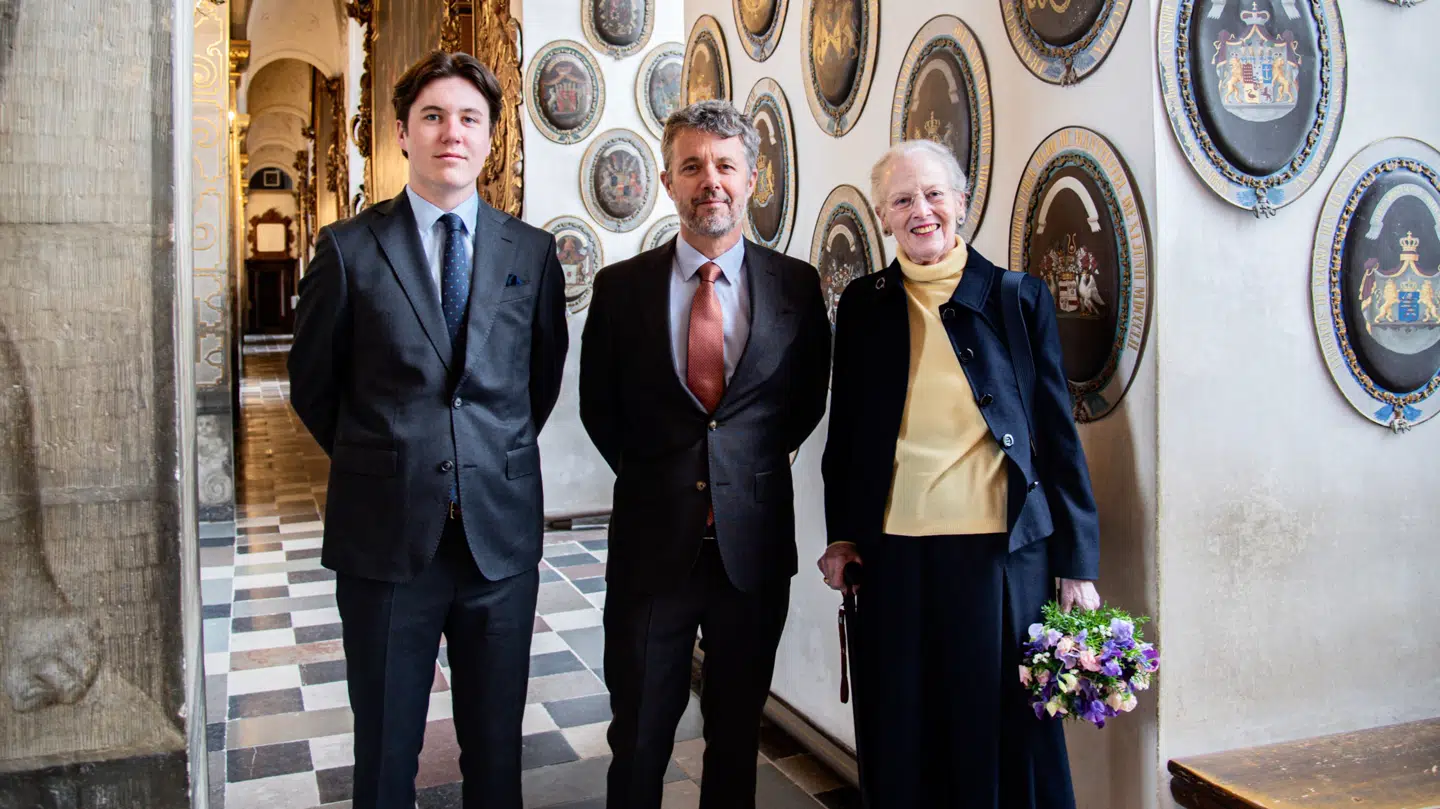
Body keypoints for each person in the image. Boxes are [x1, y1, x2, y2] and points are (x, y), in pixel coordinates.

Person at [288, 50, 567, 809]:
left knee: (497, 753)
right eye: (434, 116)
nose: (452, 132)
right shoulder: (348, 249)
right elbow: (313, 385)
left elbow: (536, 383)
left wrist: (477, 459)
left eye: (469, 119)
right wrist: (388, 460)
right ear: (403, 134)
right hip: (385, 542)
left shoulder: (532, 253)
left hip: (497, 543)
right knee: (384, 755)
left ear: (489, 139)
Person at [816, 139, 1102, 809]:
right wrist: (843, 534)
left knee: (1000, 732)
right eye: (903, 199)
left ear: (962, 204)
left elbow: (1056, 435)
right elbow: (847, 434)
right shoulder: (863, 304)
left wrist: (1078, 561)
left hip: (999, 558)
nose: (922, 211)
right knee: (902, 728)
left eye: (935, 194)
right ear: (884, 216)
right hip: (891, 556)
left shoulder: (1016, 297)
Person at [579, 100, 831, 809]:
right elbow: (600, 407)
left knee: (735, 734)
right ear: (667, 180)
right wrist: (663, 476)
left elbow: (804, 401)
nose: (709, 180)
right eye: (692, 166)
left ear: (753, 178)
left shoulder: (796, 287)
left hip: (750, 554)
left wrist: (737, 474)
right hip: (651, 552)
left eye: (725, 165)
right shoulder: (620, 289)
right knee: (638, 733)